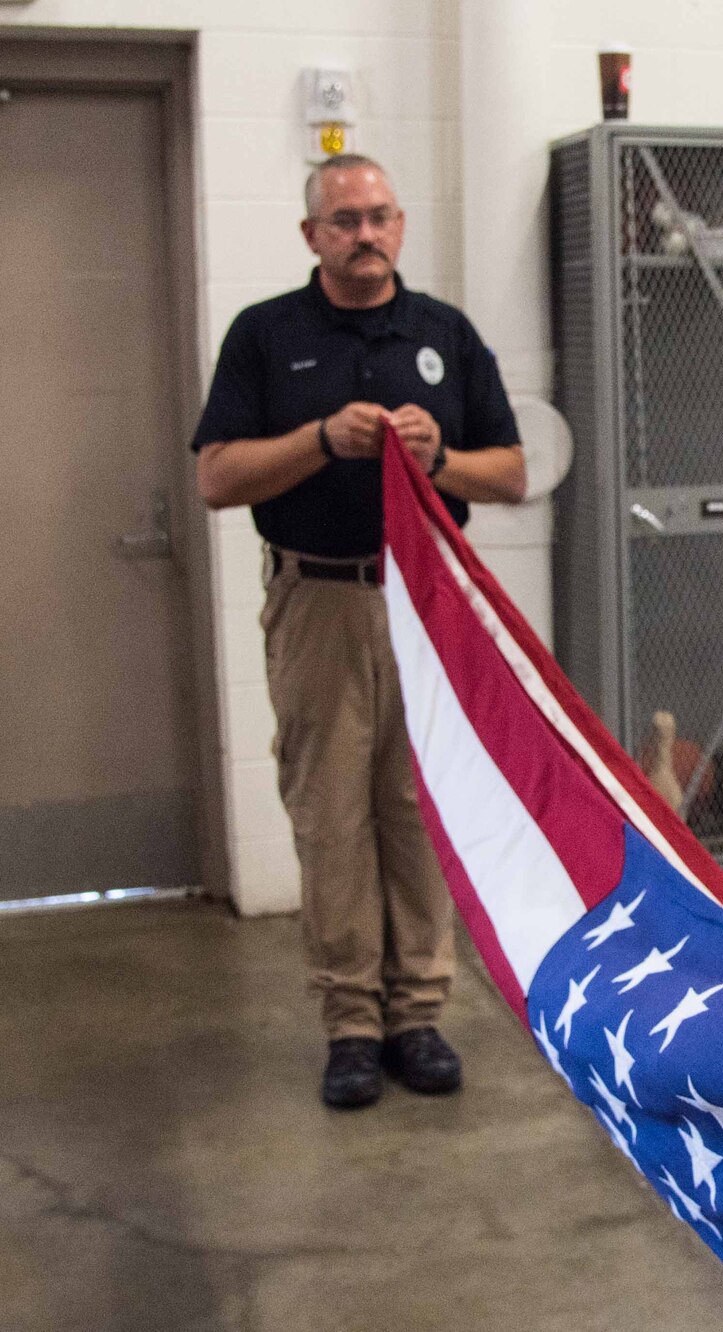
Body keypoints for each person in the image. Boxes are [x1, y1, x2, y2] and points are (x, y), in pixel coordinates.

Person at [193, 154, 527, 1108]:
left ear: (402, 225)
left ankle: (418, 1015)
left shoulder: (445, 335)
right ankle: (350, 1024)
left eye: (380, 216)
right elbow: (217, 478)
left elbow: (511, 473)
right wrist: (319, 441)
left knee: (418, 809)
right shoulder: (266, 336)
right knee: (331, 814)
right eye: (344, 221)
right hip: (320, 605)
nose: (364, 235)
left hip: (428, 605)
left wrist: (442, 457)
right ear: (312, 236)